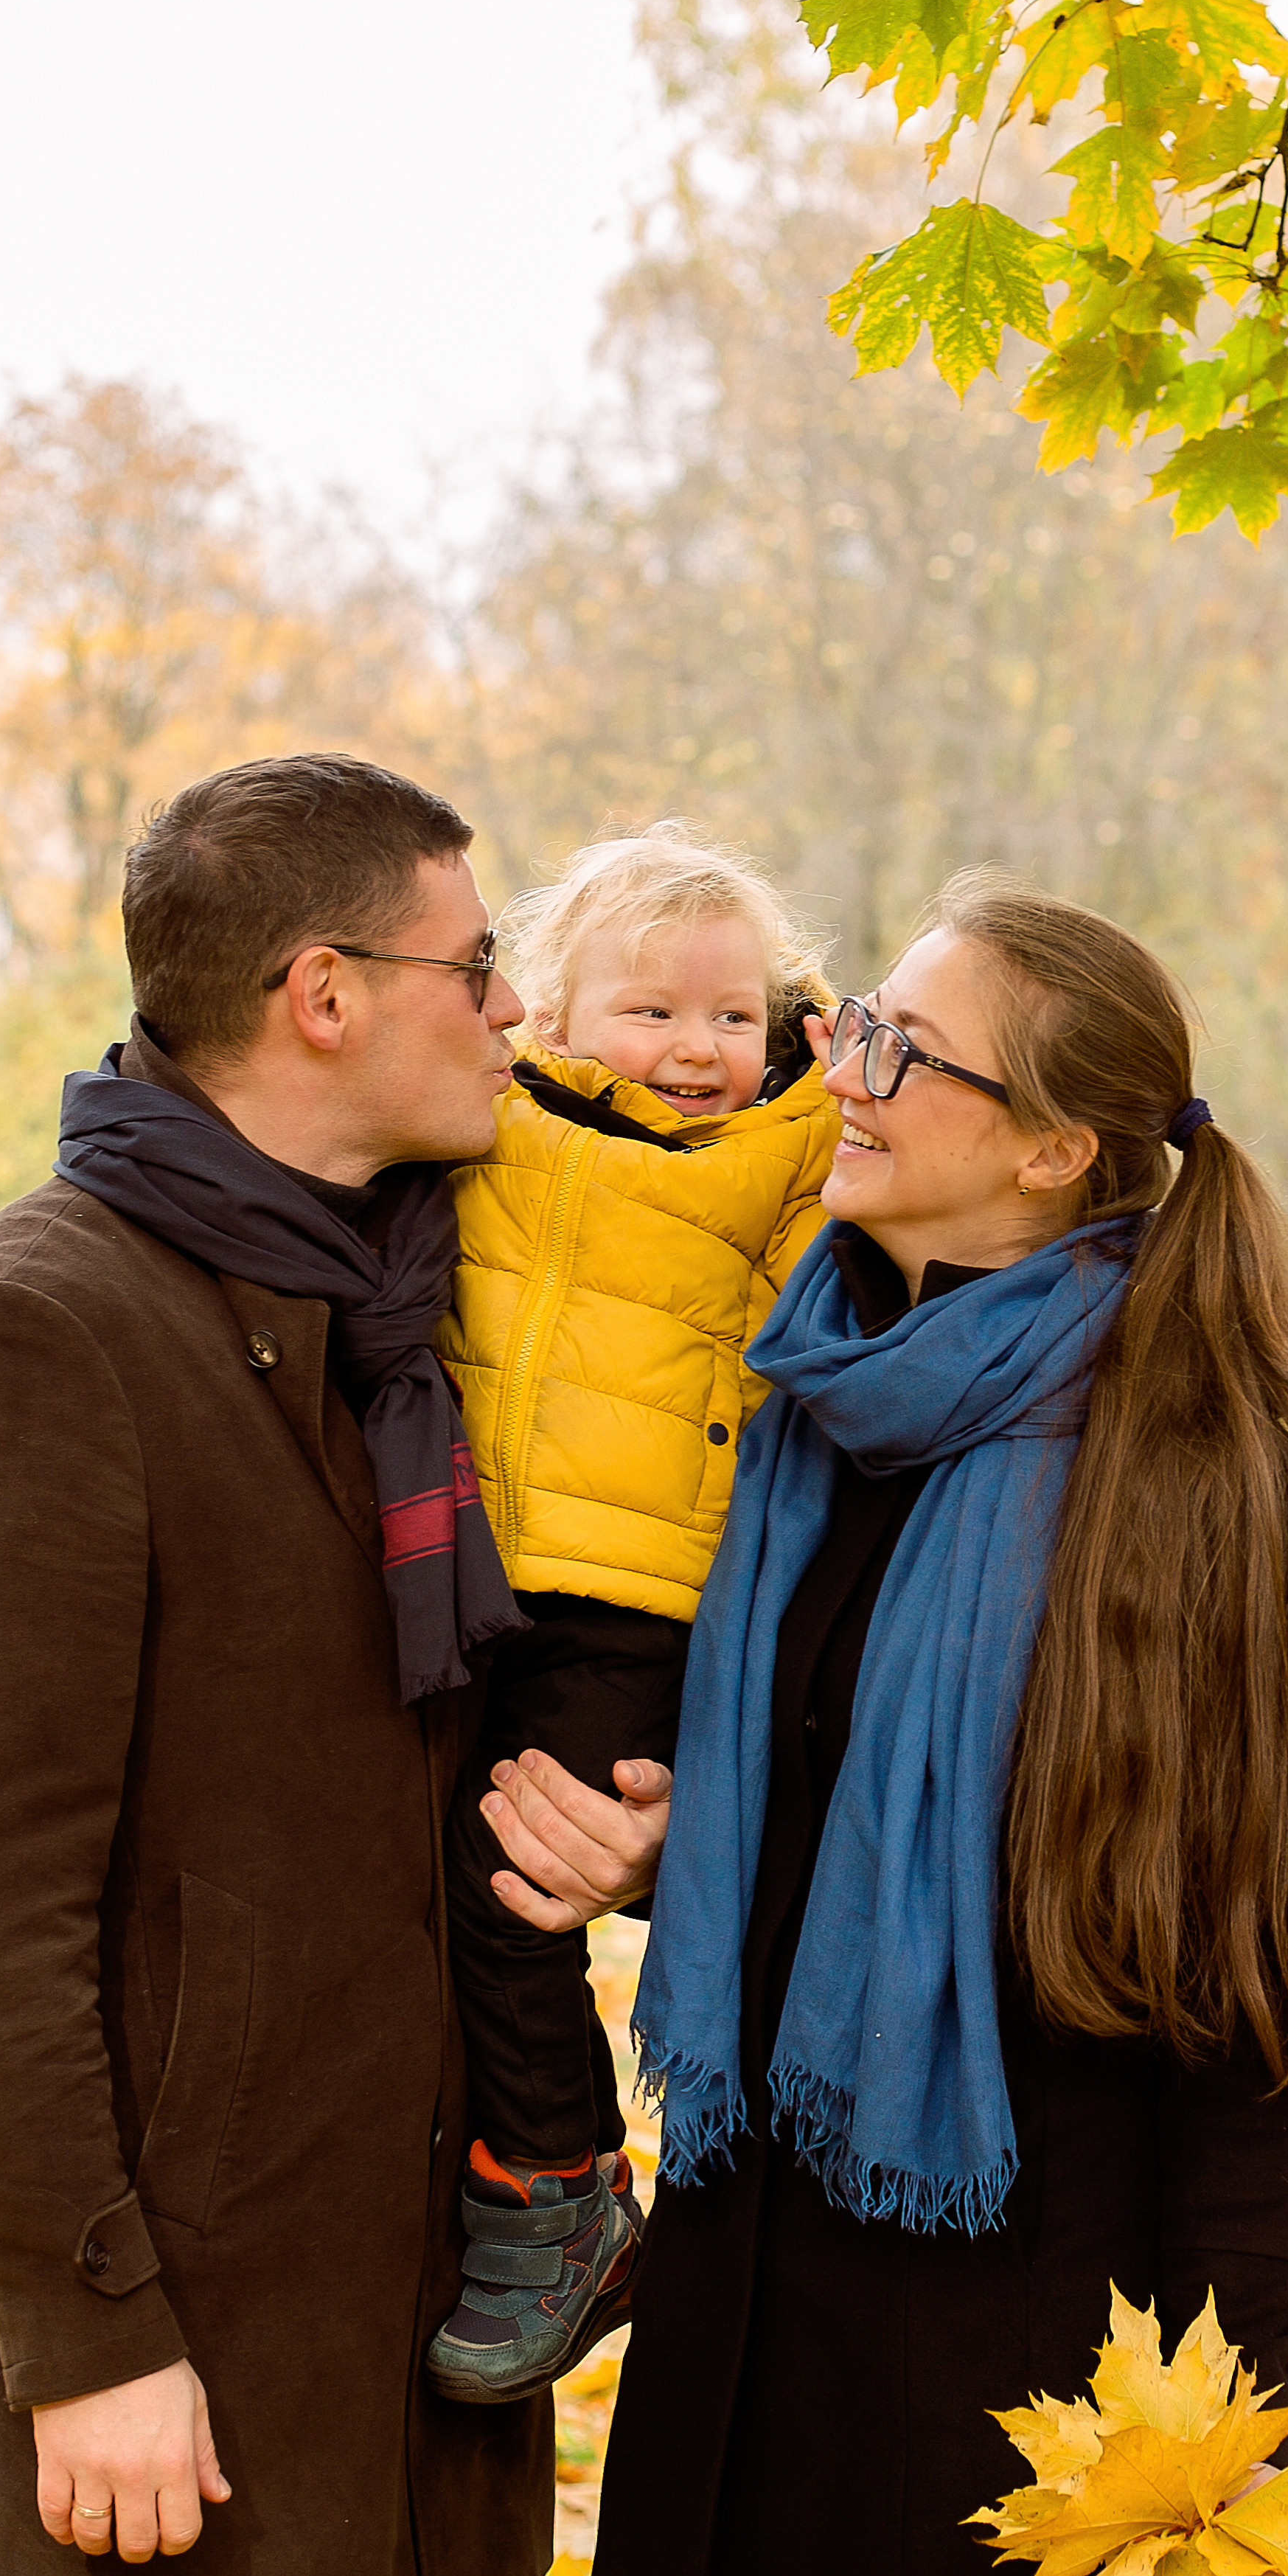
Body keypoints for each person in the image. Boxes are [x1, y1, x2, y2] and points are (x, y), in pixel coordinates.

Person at [0, 753, 666, 2576]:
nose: (515, 1009)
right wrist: (87, 2340)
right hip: (175, 2358)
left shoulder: (402, 1313)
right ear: (325, 996)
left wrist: (606, 1828)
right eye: (473, 967)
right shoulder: (42, 1336)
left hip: (398, 2327)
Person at [587, 873, 1288, 2576]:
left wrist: (1214, 2429)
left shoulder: (1194, 1460)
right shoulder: (807, 1394)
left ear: (1049, 1152)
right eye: (854, 1022)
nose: (841, 1069)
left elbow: (1237, 1969)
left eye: (903, 1047)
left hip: (1023, 2314)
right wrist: (674, 1843)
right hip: (741, 2273)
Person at [425, 824, 838, 2403]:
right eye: (651, 1011)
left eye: (731, 1016)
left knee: (511, 1884)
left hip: (644, 1602)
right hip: (477, 1587)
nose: (693, 1051)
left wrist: (818, 1046)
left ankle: (562, 2183)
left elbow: (850, 1183)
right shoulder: (494, 1131)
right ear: (552, 1009)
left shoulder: (778, 1160)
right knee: (437, 1865)